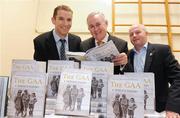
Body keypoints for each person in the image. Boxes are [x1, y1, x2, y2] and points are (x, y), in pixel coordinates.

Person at [128, 24, 180, 117]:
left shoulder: (162, 50)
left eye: (138, 32)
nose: (134, 35)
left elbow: (177, 78)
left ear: (147, 34)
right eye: (131, 34)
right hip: (135, 109)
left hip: (159, 109)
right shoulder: (128, 55)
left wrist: (173, 107)